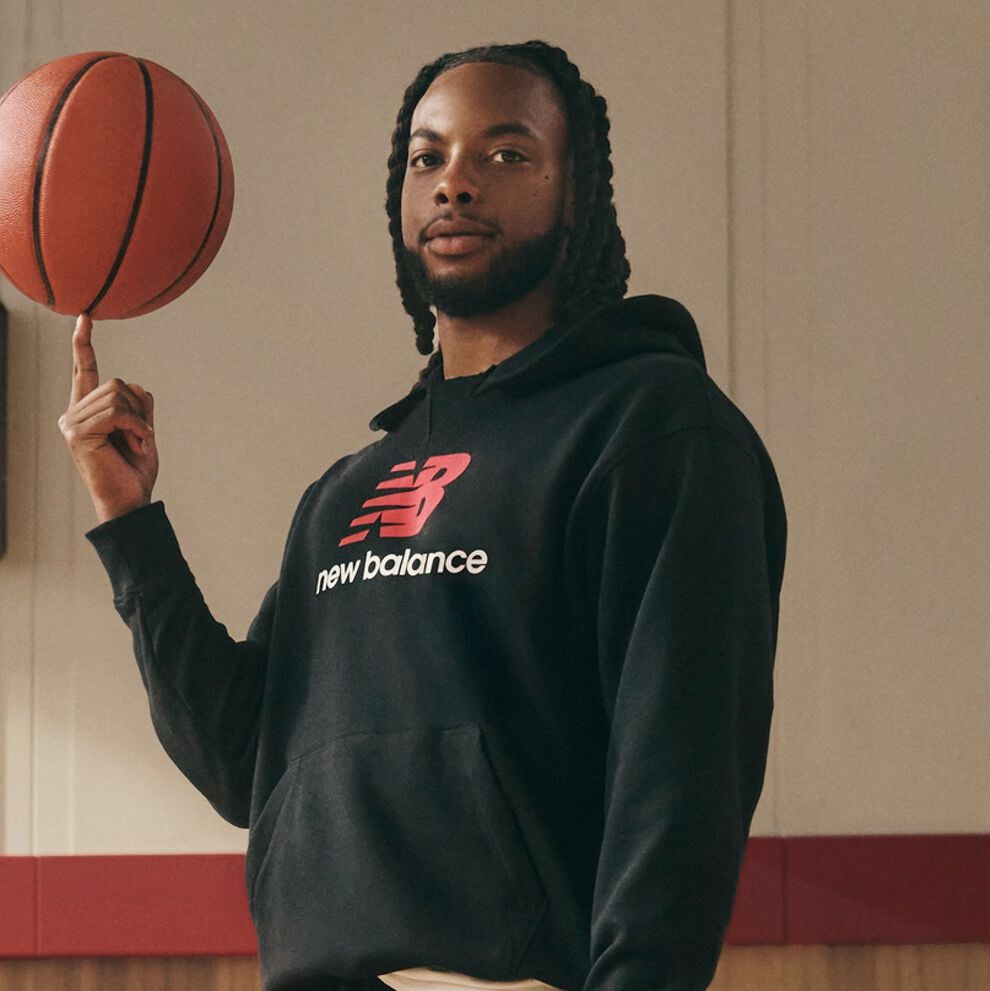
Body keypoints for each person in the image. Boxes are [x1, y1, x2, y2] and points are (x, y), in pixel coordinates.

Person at [60, 41, 786, 991]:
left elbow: (681, 780)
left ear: (577, 191)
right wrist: (131, 526)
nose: (455, 185)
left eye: (505, 154)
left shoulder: (654, 429)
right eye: (427, 158)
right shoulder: (348, 490)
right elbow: (245, 763)